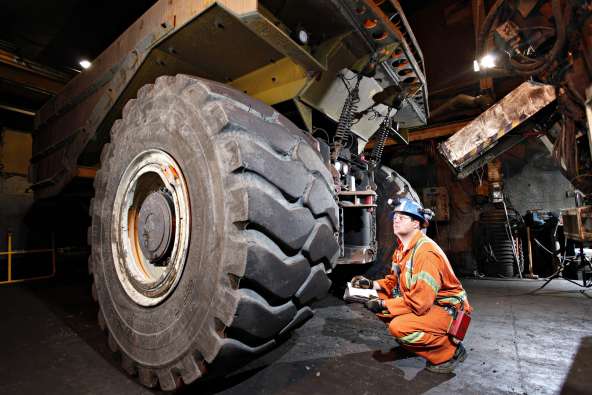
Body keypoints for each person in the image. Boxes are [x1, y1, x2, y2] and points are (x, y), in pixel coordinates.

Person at [352, 198, 472, 373]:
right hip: (427, 304)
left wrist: (384, 305)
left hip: (447, 310)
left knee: (399, 327)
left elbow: (420, 303)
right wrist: (370, 284)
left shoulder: (426, 253)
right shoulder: (402, 249)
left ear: (416, 223)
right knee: (377, 297)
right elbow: (392, 282)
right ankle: (420, 340)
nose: (396, 219)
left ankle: (449, 352)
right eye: (395, 217)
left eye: (402, 217)